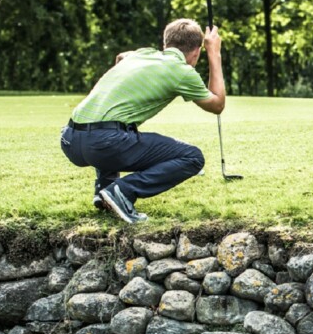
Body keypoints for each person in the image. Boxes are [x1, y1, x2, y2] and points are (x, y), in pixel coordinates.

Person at [60, 16, 227, 225]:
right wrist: (215, 52)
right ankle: (122, 192)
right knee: (193, 157)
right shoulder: (182, 71)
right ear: (197, 51)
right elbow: (217, 104)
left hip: (69, 139)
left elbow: (121, 57)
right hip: (103, 144)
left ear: (166, 44)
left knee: (121, 129)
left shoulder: (141, 54)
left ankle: (105, 189)